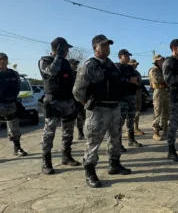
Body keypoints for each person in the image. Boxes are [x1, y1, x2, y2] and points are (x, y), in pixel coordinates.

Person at [73, 34, 134, 188]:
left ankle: (114, 164)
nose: (107, 47)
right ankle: (90, 171)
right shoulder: (89, 65)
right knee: (94, 142)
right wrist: (87, 103)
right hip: (98, 110)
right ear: (95, 48)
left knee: (115, 138)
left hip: (114, 108)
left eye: (108, 45)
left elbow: (118, 82)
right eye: (104, 45)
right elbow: (77, 91)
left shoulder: (112, 65)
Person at [38, 37, 80, 175]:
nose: (67, 51)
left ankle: (66, 156)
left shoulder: (66, 63)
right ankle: (46, 162)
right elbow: (52, 71)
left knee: (68, 132)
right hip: (53, 102)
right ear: (59, 49)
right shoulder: (45, 60)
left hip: (68, 101)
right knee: (49, 132)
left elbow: (73, 81)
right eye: (66, 49)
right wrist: (58, 56)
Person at [0, 52, 27, 156]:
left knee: (14, 127)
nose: (3, 61)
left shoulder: (13, 73)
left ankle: (17, 148)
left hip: (11, 103)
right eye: (1, 59)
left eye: (5, 59)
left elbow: (18, 86)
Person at [116, 49, 143, 148]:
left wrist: (137, 81)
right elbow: (116, 80)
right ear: (120, 57)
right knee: (120, 120)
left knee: (131, 118)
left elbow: (136, 78)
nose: (128, 57)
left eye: (129, 56)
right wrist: (128, 80)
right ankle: (117, 143)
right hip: (122, 96)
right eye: (126, 56)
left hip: (132, 95)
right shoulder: (117, 67)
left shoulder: (130, 68)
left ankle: (131, 139)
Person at [148, 54, 169, 141]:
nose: (162, 61)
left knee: (166, 113)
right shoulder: (154, 70)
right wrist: (168, 78)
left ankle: (165, 131)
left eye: (163, 59)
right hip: (158, 92)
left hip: (165, 92)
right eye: (161, 60)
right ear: (156, 61)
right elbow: (158, 80)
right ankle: (155, 133)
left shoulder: (163, 70)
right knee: (157, 113)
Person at [69, 59, 85, 140]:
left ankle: (80, 132)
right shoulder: (67, 74)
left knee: (81, 117)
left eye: (76, 64)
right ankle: (69, 136)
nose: (75, 65)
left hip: (78, 99)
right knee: (70, 119)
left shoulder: (77, 73)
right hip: (70, 99)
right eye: (73, 64)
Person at [128, 59, 145, 135]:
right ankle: (129, 130)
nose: (135, 66)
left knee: (138, 111)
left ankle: (136, 127)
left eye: (136, 64)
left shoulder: (137, 72)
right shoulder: (128, 72)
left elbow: (140, 83)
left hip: (138, 92)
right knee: (131, 112)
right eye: (134, 64)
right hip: (131, 93)